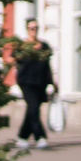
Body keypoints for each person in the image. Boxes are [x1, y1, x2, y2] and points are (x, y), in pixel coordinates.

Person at [13, 19, 54, 149]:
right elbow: (13, 60)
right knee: (34, 107)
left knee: (32, 109)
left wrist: (53, 82)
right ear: (27, 30)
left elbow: (48, 66)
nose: (34, 30)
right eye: (31, 28)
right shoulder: (22, 46)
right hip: (26, 82)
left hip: (41, 82)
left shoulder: (44, 46)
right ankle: (40, 137)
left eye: (36, 28)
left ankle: (22, 137)